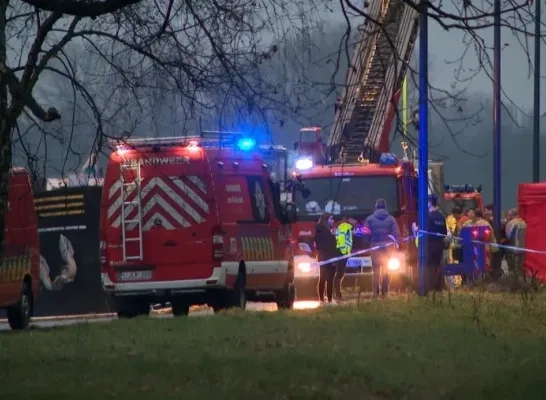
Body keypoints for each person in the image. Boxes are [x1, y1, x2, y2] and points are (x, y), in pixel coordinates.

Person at [363, 199, 400, 298]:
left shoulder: (370, 219)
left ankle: (375, 293)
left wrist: (369, 243)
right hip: (387, 248)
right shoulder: (391, 219)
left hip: (375, 247)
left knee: (376, 271)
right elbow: (396, 233)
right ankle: (385, 293)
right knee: (386, 270)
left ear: (376, 207)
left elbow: (365, 233)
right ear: (385, 207)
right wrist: (393, 242)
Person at [412, 194, 448, 293]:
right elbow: (444, 232)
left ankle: (428, 288)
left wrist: (415, 229)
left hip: (429, 245)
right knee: (437, 266)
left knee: (427, 267)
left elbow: (422, 231)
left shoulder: (427, 217)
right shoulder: (441, 217)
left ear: (429, 203)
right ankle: (438, 288)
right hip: (439, 245)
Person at [314, 213, 337, 304]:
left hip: (324, 257)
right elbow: (328, 245)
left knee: (324, 278)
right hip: (327, 258)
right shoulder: (324, 232)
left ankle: (323, 299)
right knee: (328, 279)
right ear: (326, 220)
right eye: (331, 219)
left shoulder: (322, 230)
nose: (333, 221)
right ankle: (328, 300)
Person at [504, 208, 527, 282]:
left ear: (511, 215)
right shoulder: (523, 222)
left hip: (513, 249)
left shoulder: (512, 223)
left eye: (509, 215)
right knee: (520, 267)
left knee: (513, 268)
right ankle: (523, 284)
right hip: (523, 248)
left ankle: (514, 284)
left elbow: (509, 236)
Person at [334, 216, 353, 301]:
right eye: (354, 219)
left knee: (340, 274)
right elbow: (341, 240)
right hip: (342, 253)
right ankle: (338, 295)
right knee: (339, 274)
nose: (356, 221)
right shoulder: (345, 227)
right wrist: (344, 252)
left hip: (343, 253)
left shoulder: (343, 227)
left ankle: (338, 295)